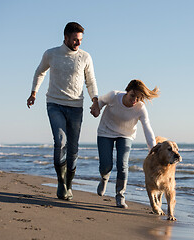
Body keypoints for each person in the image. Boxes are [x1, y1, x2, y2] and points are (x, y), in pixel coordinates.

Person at [26, 22, 100, 201]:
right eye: (75, 39)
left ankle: (69, 183)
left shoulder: (85, 57)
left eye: (80, 40)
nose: (78, 43)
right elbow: (39, 72)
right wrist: (33, 93)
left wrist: (95, 101)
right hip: (54, 104)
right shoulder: (51, 54)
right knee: (60, 141)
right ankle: (61, 183)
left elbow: (90, 81)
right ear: (66, 37)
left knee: (73, 148)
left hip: (76, 107)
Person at [96, 79, 159, 208]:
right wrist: (96, 107)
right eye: (132, 96)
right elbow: (101, 100)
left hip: (126, 135)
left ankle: (120, 196)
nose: (134, 100)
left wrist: (152, 149)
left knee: (122, 164)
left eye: (138, 98)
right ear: (127, 91)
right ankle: (104, 177)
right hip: (105, 131)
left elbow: (147, 128)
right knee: (105, 165)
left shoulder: (140, 108)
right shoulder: (114, 96)